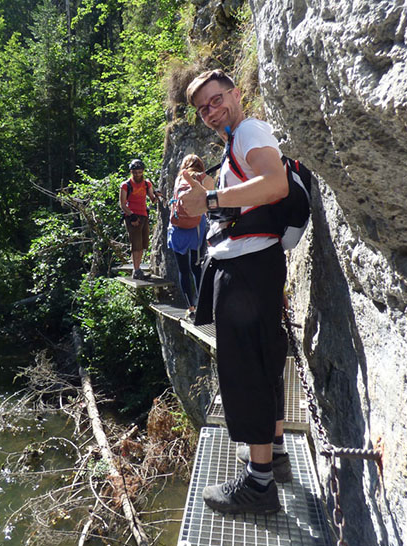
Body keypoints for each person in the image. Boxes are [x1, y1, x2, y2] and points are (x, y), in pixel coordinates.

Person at [179, 69, 291, 514]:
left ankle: (258, 486)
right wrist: (210, 191)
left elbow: (276, 183)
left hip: (245, 270)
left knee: (245, 370)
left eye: (215, 100)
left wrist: (207, 202)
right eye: (202, 108)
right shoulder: (236, 143)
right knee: (262, 359)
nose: (210, 111)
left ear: (236, 94)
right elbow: (249, 200)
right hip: (254, 267)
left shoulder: (248, 130)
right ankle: (275, 454)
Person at [168, 154, 213, 319]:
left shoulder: (179, 179)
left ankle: (191, 307)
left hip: (178, 229)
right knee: (197, 267)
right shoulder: (203, 179)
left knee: (183, 270)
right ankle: (203, 306)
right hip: (197, 229)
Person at [119, 159, 161, 279]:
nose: (137, 174)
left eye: (139, 172)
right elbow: (122, 204)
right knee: (136, 244)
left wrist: (157, 196)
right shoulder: (125, 185)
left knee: (143, 244)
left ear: (142, 171)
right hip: (132, 217)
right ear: (131, 172)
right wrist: (132, 216)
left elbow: (152, 199)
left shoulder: (147, 184)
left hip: (143, 215)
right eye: (135, 172)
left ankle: (138, 270)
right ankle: (136, 270)